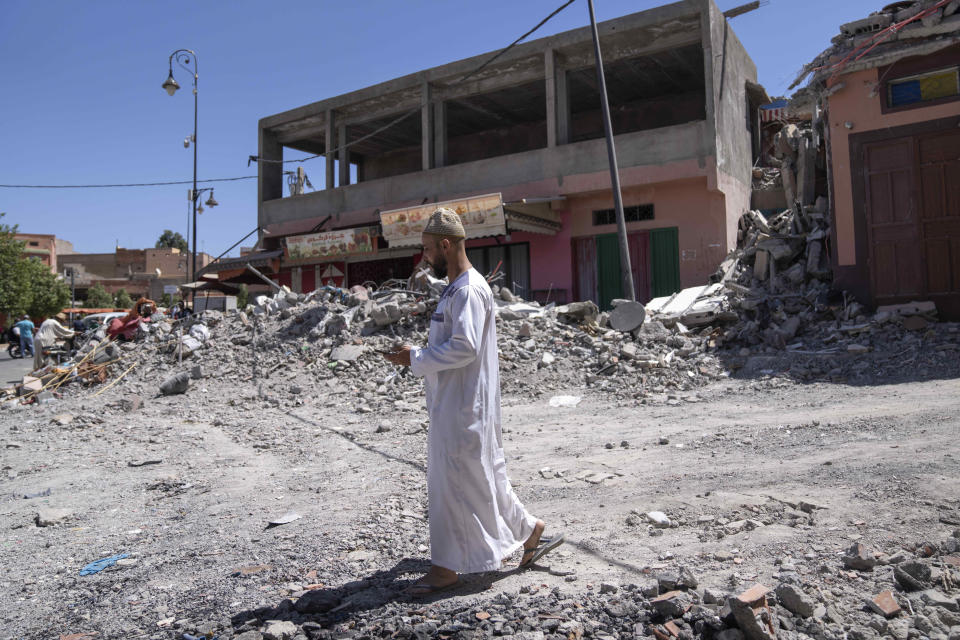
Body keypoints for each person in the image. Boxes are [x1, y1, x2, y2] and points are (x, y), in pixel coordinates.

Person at [384, 208, 563, 596]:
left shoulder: (467, 289)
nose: (425, 256)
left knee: (452, 485)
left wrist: (414, 357)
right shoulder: (460, 287)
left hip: (462, 408)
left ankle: (446, 568)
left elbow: (464, 347)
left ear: (446, 244)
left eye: (429, 248)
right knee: (483, 479)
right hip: (460, 402)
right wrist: (416, 352)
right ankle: (530, 529)